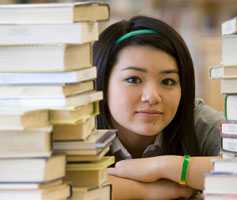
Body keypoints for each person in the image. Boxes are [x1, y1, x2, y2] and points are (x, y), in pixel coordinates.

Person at [93, 16, 223, 199]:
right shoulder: (78, 126)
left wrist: (164, 167)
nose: (152, 97)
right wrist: (146, 192)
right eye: (133, 80)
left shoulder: (198, 121)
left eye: (168, 81)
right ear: (102, 83)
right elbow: (59, 187)